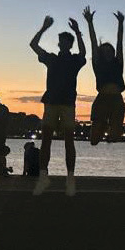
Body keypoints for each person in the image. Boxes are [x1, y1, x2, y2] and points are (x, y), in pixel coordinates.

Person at [29, 15, 86, 196]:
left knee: (69, 141)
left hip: (68, 103)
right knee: (46, 140)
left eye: (65, 41)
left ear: (70, 44)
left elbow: (84, 53)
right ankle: (43, 175)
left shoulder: (75, 60)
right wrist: (44, 28)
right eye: (60, 41)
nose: (62, 43)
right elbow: (33, 45)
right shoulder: (51, 58)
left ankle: (70, 177)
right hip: (51, 102)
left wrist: (77, 31)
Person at [83, 6, 125, 145]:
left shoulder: (118, 62)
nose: (108, 52)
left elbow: (120, 42)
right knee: (94, 141)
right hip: (102, 99)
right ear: (101, 53)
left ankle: (108, 127)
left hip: (116, 99)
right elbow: (93, 42)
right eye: (105, 51)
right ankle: (101, 125)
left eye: (110, 50)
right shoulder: (98, 64)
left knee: (115, 137)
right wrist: (90, 22)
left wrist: (121, 23)